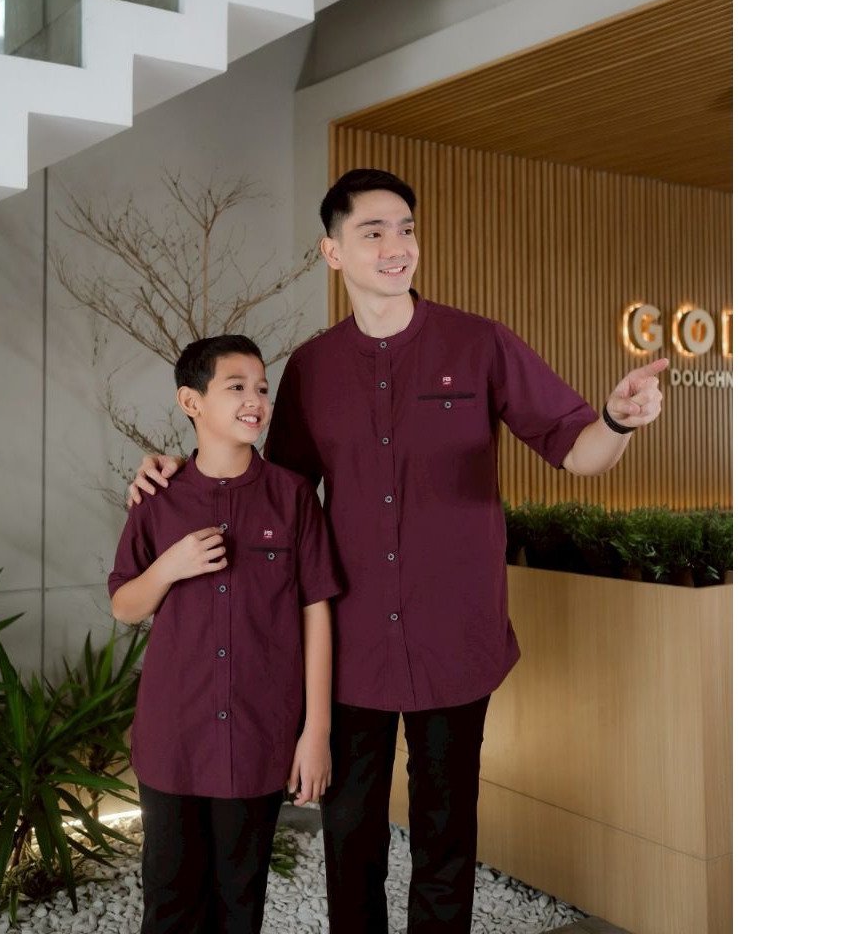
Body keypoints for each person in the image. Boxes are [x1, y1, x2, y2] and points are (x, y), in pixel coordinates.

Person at [128, 170, 667, 933]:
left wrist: (616, 421)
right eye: (373, 232)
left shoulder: (479, 343)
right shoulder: (311, 368)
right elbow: (272, 495)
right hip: (352, 649)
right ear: (333, 252)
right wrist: (173, 472)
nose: (396, 246)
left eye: (406, 229)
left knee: (447, 837)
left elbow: (576, 452)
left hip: (457, 639)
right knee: (351, 839)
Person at [109, 334, 339, 934]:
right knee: (170, 905)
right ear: (192, 401)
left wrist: (315, 732)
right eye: (236, 387)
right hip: (173, 738)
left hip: (258, 735)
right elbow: (124, 606)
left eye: (261, 388)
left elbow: (317, 612)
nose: (254, 400)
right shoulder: (157, 498)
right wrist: (169, 567)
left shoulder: (293, 496)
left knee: (241, 903)